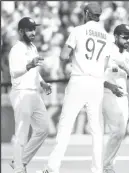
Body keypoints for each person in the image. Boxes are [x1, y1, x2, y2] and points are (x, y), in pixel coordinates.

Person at [37, 3, 114, 173]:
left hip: (79, 80)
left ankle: (52, 167)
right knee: (97, 129)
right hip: (96, 83)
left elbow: (64, 56)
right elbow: (105, 65)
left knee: (65, 126)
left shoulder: (78, 31)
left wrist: (75, 57)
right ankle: (97, 169)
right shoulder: (107, 36)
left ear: (87, 13)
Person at [8, 16, 51, 173]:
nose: (33, 32)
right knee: (22, 134)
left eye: (34, 29)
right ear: (21, 31)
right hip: (21, 93)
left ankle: (20, 161)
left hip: (34, 93)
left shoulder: (33, 47)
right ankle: (19, 169)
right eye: (29, 29)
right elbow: (14, 72)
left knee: (44, 129)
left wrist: (43, 83)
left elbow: (34, 71)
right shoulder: (16, 49)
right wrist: (28, 65)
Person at [102, 24, 129, 173]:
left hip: (123, 97)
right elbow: (98, 75)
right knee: (118, 130)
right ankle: (106, 167)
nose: (128, 40)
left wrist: (124, 65)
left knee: (120, 133)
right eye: (124, 37)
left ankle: (107, 165)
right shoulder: (107, 52)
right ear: (116, 36)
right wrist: (111, 87)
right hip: (107, 94)